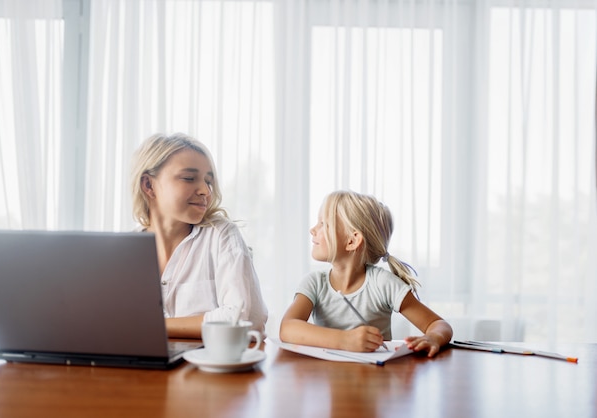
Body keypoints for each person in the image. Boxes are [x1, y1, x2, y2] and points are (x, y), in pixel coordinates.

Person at [279, 190, 452, 357]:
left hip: (375, 377)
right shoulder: (314, 283)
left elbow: (438, 324)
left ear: (352, 241)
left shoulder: (383, 284)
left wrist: (433, 337)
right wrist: (345, 340)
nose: (313, 229)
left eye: (323, 223)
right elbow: (287, 328)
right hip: (329, 378)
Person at [131, 132, 268, 338]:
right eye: (189, 178)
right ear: (149, 185)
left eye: (209, 181)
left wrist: (155, 326)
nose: (205, 190)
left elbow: (238, 318)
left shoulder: (221, 236)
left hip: (210, 366)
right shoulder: (127, 249)